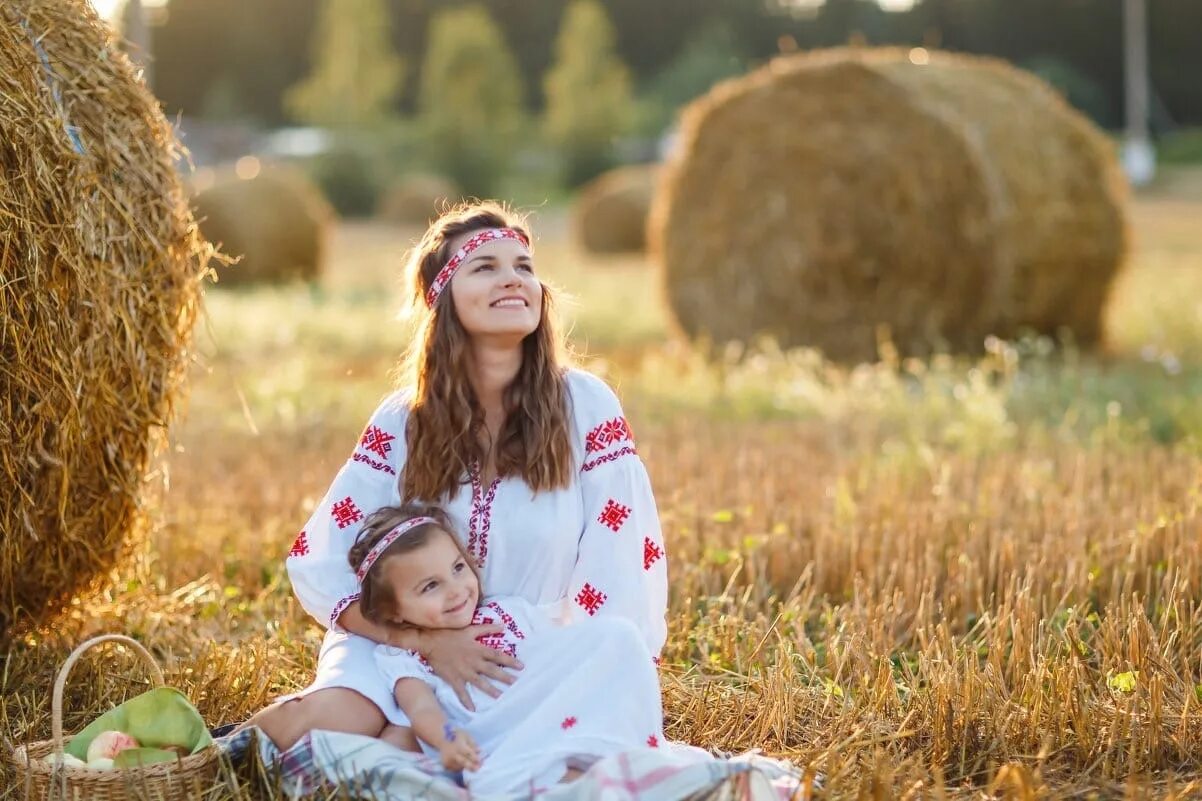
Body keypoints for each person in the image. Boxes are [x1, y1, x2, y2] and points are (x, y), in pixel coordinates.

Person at [242, 201, 668, 756]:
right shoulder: (403, 420)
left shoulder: (585, 406)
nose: (513, 278)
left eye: (524, 266)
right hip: (394, 648)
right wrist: (422, 643)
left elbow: (621, 578)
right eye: (485, 266)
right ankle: (199, 759)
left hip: (524, 653)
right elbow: (323, 561)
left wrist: (587, 679)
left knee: (475, 756)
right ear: (440, 297)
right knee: (326, 727)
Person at [350, 503, 665, 794]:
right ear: (393, 612)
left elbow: (555, 660)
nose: (456, 590)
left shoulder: (509, 610)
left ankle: (618, 763)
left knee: (619, 635)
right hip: (497, 737)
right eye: (431, 586)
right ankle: (582, 781)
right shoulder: (403, 656)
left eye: (458, 568)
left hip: (549, 713)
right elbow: (422, 710)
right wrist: (447, 740)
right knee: (516, 777)